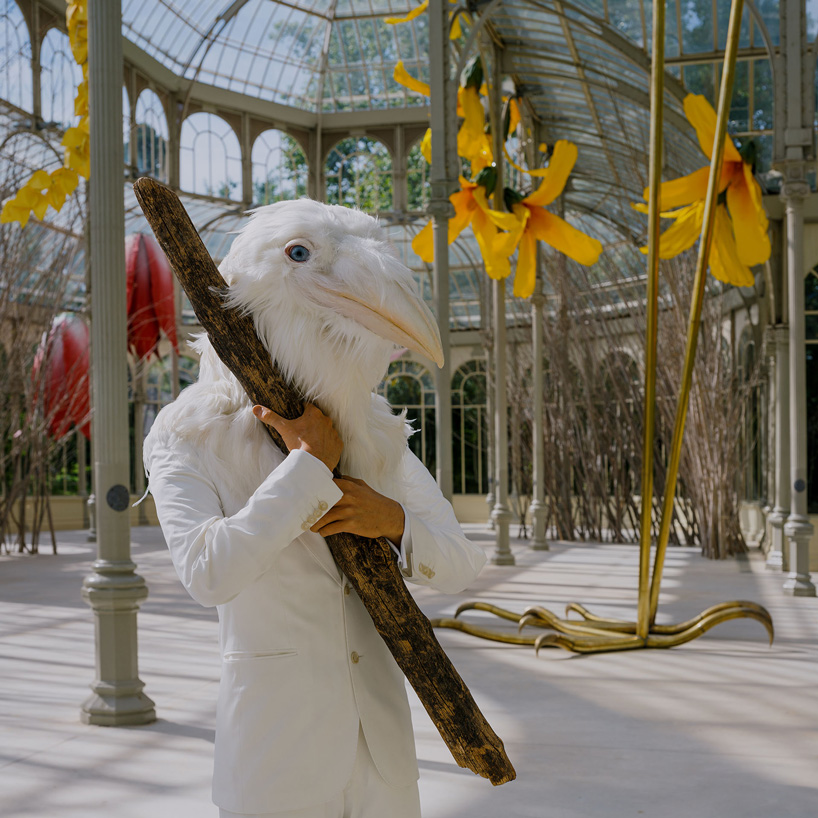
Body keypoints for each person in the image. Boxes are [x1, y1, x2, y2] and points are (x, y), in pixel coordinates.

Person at [145, 393, 487, 818]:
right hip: (275, 756)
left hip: (383, 762)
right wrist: (308, 467)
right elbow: (207, 571)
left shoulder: (367, 418)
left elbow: (462, 563)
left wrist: (394, 521)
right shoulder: (186, 428)